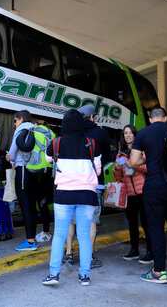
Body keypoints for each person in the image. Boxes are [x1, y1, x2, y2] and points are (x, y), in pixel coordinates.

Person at [42, 109, 101, 286]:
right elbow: (97, 170)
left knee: (60, 234)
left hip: (64, 195)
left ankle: (54, 275)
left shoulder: (57, 142)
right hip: (87, 195)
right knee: (84, 236)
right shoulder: (91, 143)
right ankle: (84, 276)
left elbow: (48, 159)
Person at [130, 107, 167, 283]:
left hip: (154, 186)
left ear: (150, 118)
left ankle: (159, 271)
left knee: (156, 228)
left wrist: (150, 159)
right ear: (166, 117)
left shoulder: (143, 133)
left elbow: (133, 161)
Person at [63, 105, 110, 269]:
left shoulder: (70, 132)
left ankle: (68, 254)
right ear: (92, 117)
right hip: (93, 183)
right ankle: (88, 257)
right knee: (90, 221)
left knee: (70, 220)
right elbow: (107, 156)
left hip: (70, 182)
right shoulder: (100, 133)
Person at [113, 125, 152, 264]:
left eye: (130, 133)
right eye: (125, 133)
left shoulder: (142, 150)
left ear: (135, 135)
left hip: (143, 191)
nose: (128, 135)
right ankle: (134, 250)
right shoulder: (120, 153)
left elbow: (148, 168)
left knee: (147, 223)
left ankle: (150, 251)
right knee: (132, 223)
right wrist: (116, 168)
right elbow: (118, 177)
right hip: (130, 193)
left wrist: (133, 165)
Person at [6, 110, 38, 251]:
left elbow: (12, 154)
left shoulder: (21, 130)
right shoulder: (35, 129)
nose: (14, 124)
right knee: (31, 206)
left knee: (25, 206)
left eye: (15, 120)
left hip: (23, 170)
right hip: (35, 171)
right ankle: (33, 238)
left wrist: (8, 157)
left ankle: (30, 241)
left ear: (20, 119)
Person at [29, 119, 55, 243]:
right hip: (49, 171)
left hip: (35, 169)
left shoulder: (32, 132)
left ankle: (41, 233)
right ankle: (47, 231)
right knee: (45, 202)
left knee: (37, 202)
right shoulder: (53, 135)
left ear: (36, 125)